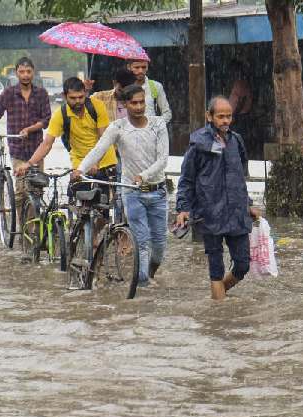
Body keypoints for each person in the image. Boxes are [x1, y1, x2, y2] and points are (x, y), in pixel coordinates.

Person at [74, 84, 169, 288]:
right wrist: (80, 169)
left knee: (159, 245)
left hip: (158, 191)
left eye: (142, 102)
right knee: (142, 242)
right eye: (133, 103)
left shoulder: (158, 125)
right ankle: (141, 285)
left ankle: (148, 275)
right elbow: (99, 149)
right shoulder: (118, 127)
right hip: (131, 192)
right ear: (125, 105)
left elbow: (163, 159)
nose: (138, 106)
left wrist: (143, 176)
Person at [175, 96, 260, 300]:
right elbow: (186, 179)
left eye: (229, 116)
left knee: (242, 264)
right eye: (220, 116)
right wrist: (183, 209)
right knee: (216, 266)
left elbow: (240, 176)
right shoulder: (198, 144)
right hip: (209, 212)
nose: (225, 121)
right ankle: (220, 314)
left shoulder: (236, 141)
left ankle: (218, 296)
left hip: (237, 213)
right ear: (209, 116)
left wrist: (248, 204)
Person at [0, 56, 51, 216]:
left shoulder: (41, 94)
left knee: (36, 190)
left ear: (33, 72)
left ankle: (33, 232)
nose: (25, 75)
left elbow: (46, 120)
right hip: (17, 150)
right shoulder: (9, 94)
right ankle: (22, 231)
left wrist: (30, 129)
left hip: (37, 149)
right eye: (22, 72)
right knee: (20, 192)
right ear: (16, 73)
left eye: (28, 71)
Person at [16, 77, 117, 181]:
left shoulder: (97, 106)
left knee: (107, 195)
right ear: (64, 96)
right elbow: (46, 144)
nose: (78, 101)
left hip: (105, 161)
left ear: (85, 94)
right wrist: (28, 164)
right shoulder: (60, 115)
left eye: (81, 97)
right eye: (73, 98)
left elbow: (103, 140)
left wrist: (94, 163)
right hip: (80, 163)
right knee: (77, 193)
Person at [126, 59, 172, 124]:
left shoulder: (155, 86)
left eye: (143, 67)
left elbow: (167, 113)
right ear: (129, 67)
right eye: (137, 67)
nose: (140, 71)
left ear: (147, 67)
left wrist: (154, 125)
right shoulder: (124, 87)